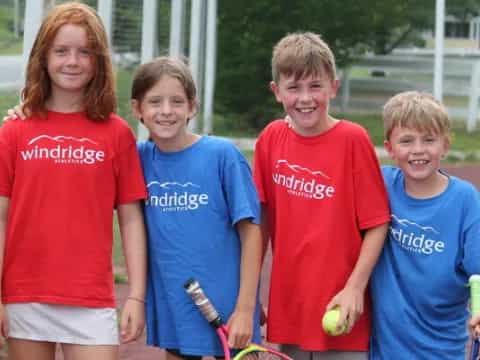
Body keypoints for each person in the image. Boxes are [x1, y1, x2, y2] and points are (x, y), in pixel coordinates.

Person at [0, 3, 147, 360]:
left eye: (85, 52)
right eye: (61, 51)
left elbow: (130, 220)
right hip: (25, 294)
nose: (72, 61)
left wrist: (137, 296)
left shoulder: (117, 134)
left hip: (90, 298)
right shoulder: (14, 131)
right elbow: (1, 218)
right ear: (43, 57)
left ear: (98, 61)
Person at [253, 32, 390, 359]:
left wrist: (355, 287)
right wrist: (250, 293)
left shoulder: (352, 140)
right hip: (291, 308)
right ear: (276, 92)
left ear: (333, 87)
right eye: (293, 88)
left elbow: (378, 223)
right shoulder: (271, 139)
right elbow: (260, 221)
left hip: (343, 307)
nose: (305, 98)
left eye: (315, 86)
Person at [130, 57, 263, 360]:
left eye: (177, 101)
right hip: (177, 313)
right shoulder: (137, 159)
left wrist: (245, 308)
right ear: (138, 109)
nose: (166, 111)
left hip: (232, 316)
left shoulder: (222, 155)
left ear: (192, 107)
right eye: (155, 101)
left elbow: (252, 233)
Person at [369, 91, 480, 359]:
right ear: (389, 147)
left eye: (428, 140)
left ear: (445, 145)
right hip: (381, 351)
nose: (418, 150)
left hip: (441, 351)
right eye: (406, 140)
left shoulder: (466, 200)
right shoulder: (380, 184)